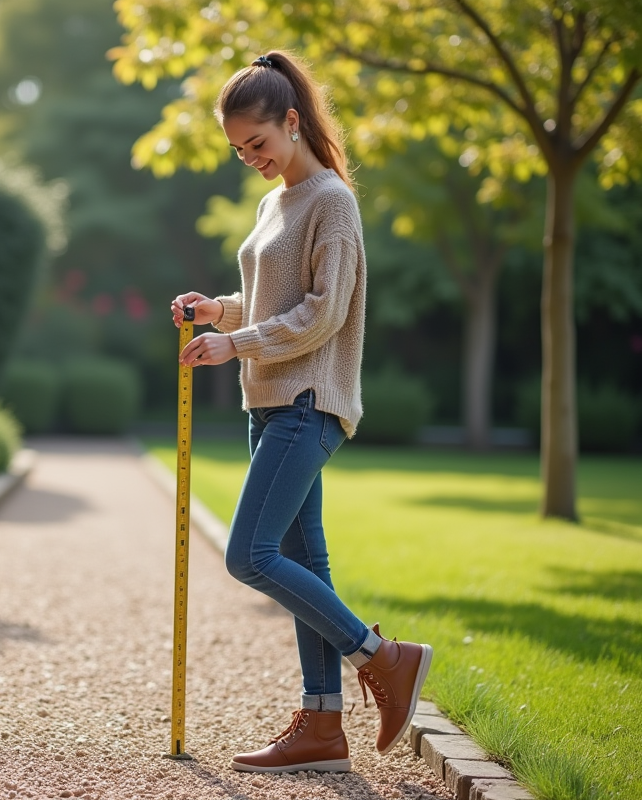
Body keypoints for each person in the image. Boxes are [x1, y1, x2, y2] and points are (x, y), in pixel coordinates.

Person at [170, 50, 432, 774]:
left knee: (249, 555)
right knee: (303, 559)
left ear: (292, 120)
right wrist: (214, 311)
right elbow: (267, 299)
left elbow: (323, 314)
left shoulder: (331, 202)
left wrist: (237, 344)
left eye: (257, 142)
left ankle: (383, 657)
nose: (249, 157)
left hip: (308, 403)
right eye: (238, 149)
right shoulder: (272, 203)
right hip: (272, 402)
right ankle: (321, 724)